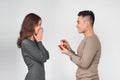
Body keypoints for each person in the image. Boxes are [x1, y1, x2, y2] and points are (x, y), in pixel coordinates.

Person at [59, 10, 101, 80]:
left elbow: (84, 64)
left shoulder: (92, 41)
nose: (76, 25)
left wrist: (69, 53)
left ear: (87, 24)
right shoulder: (87, 39)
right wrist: (69, 50)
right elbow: (81, 61)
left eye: (78, 22)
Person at [17, 13, 49, 80]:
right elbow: (42, 58)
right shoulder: (25, 43)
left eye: (40, 25)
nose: (40, 27)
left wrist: (39, 41)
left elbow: (47, 56)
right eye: (38, 25)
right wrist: (39, 41)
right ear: (31, 26)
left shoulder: (35, 41)